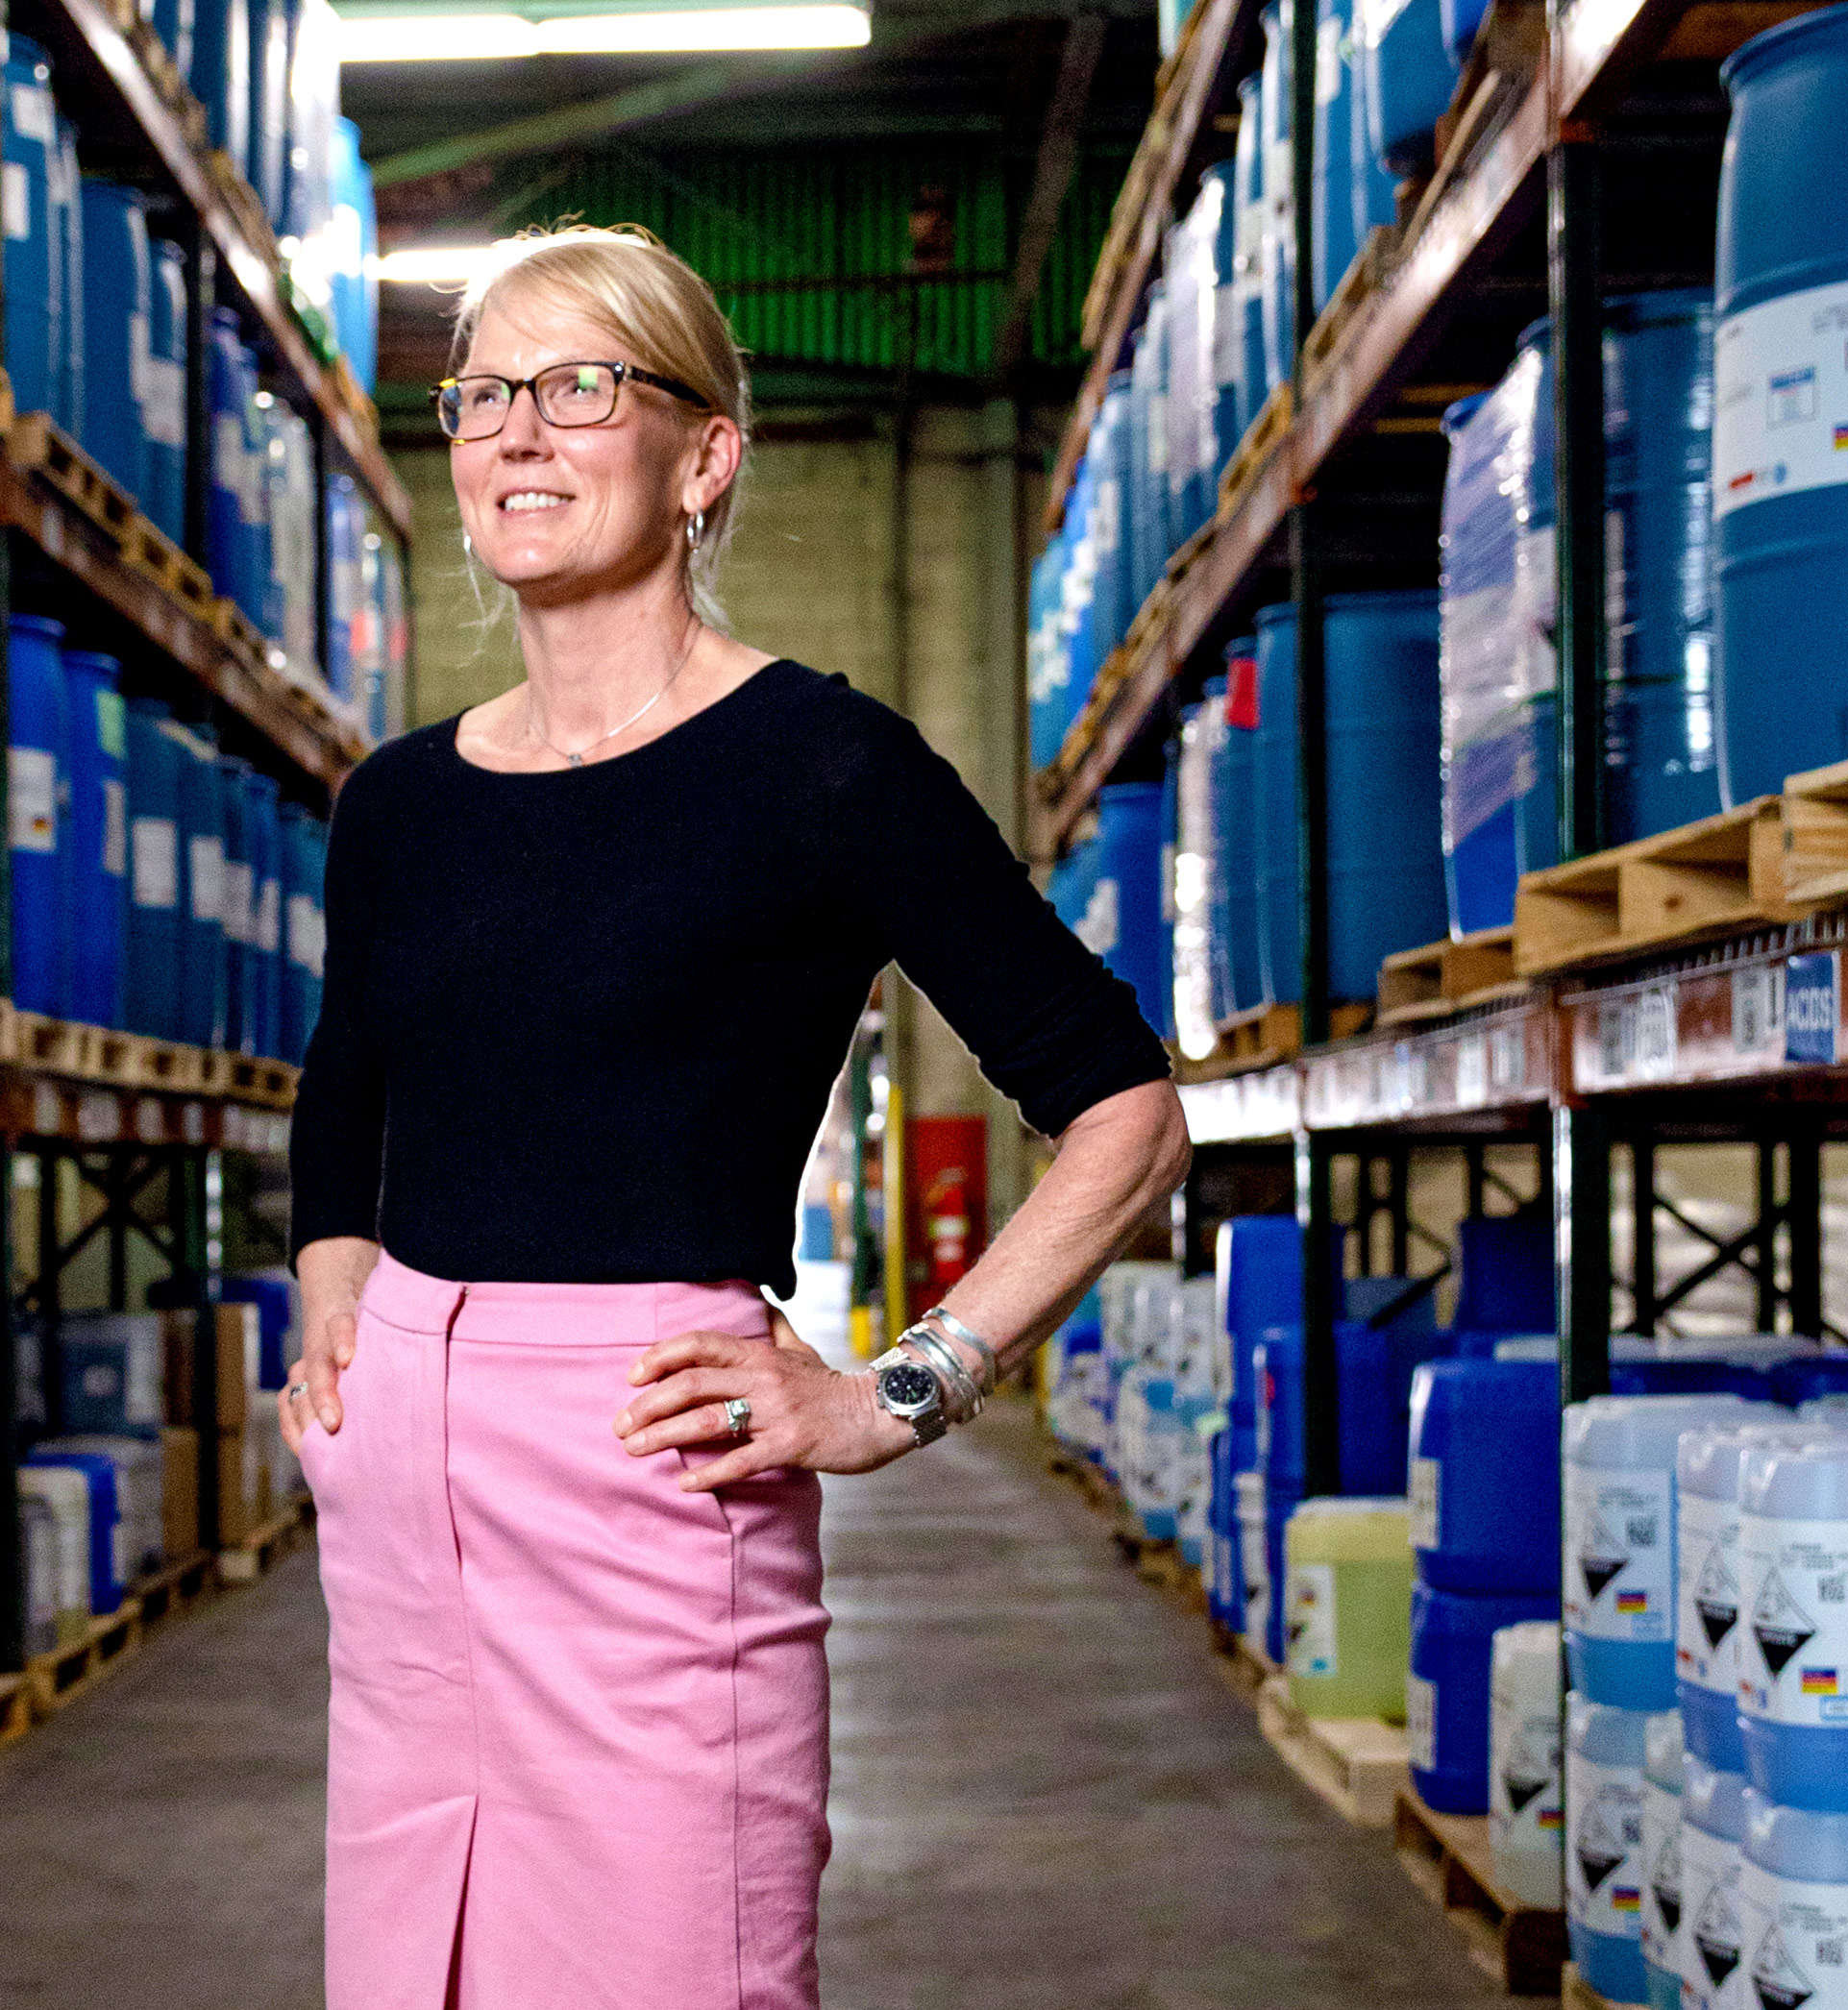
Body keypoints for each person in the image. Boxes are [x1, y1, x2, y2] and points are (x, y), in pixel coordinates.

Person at [282, 224, 1193, 2010]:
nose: (516, 437)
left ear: (705, 454)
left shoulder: (820, 766)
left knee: (678, 1968)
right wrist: (339, 1307)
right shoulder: (398, 803)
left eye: (578, 387)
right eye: (481, 397)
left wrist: (897, 1393)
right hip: (400, 1497)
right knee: (414, 1977)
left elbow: (1126, 1114)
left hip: (651, 1457)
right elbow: (350, 1084)